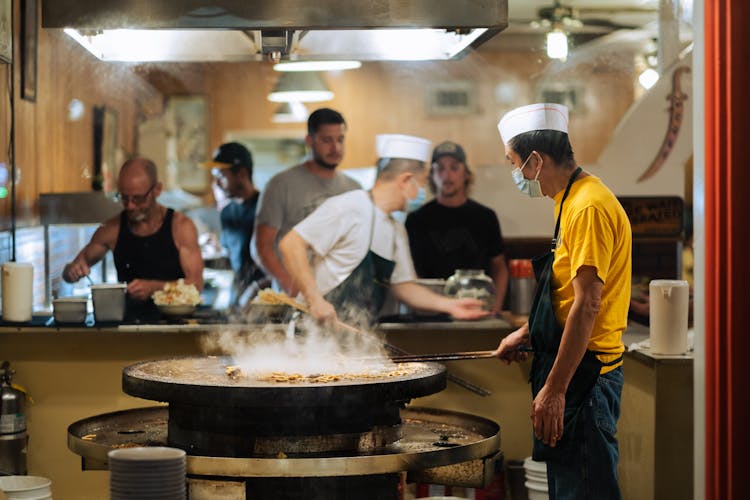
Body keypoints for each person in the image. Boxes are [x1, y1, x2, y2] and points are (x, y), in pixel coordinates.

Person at [493, 103, 631, 499]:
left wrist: (555, 389)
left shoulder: (587, 206)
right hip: (575, 371)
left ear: (535, 160)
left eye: (514, 162)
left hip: (586, 378)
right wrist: (527, 332)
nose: (515, 173)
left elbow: (588, 304)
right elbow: (567, 295)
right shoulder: (569, 200)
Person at [278, 134, 488, 326]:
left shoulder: (396, 230)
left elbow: (403, 286)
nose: (421, 192)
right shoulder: (348, 206)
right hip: (312, 333)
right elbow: (291, 243)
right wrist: (314, 300)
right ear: (406, 180)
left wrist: (451, 306)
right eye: (422, 183)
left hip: (353, 337)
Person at [62, 157, 204, 320]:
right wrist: (71, 270)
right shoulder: (111, 229)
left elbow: (196, 286)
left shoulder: (181, 227)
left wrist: (154, 287)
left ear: (157, 190)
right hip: (129, 327)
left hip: (176, 326)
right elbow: (71, 271)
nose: (130, 206)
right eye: (123, 197)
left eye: (138, 198)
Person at [251, 108, 360, 295]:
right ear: (309, 141)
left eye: (340, 139)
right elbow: (261, 246)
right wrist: (289, 284)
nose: (336, 148)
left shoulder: (354, 189)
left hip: (342, 296)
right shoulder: (280, 185)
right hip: (294, 297)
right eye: (327, 140)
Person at [405, 140, 509, 315]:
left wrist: (495, 308)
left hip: (479, 307)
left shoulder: (485, 217)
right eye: (440, 168)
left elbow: (499, 267)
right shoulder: (416, 220)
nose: (447, 175)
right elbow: (412, 272)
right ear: (431, 175)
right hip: (432, 312)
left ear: (466, 173)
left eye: (454, 168)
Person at [204, 142, 265, 306]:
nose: (216, 183)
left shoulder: (266, 208)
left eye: (221, 176)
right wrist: (197, 260)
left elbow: (285, 265)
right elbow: (231, 259)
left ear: (242, 173)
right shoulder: (227, 212)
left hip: (267, 300)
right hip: (240, 299)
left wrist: (256, 288)